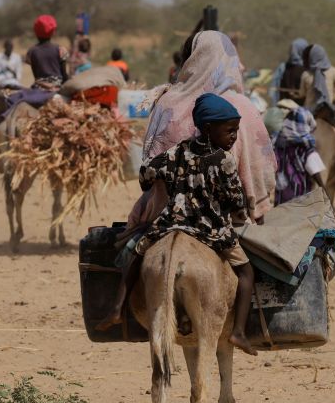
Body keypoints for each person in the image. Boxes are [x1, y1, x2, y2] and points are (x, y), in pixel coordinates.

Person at [99, 93, 258, 356]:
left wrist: (157, 184)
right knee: (246, 273)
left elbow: (146, 173)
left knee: (135, 254)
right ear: (208, 128)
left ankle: (117, 307)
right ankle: (239, 331)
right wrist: (238, 205)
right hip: (213, 228)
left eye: (236, 131)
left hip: (171, 223)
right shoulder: (224, 160)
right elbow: (234, 198)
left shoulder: (177, 152)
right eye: (229, 131)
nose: (234, 137)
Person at [140, 30, 277, 222]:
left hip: (163, 217)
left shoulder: (166, 103)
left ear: (191, 60)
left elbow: (148, 171)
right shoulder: (242, 107)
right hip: (224, 224)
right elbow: (260, 176)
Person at [272, 99, 328, 205]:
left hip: (281, 194)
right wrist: (324, 190)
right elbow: (315, 171)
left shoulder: (278, 143)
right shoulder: (305, 149)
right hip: (299, 195)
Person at [301, 44, 335, 130]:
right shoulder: (332, 71)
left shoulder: (305, 74)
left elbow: (302, 94)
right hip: (328, 109)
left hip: (309, 112)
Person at [24, 14, 68, 86]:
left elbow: (36, 76)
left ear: (36, 32)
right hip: (58, 87)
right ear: (53, 32)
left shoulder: (31, 52)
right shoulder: (61, 50)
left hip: (39, 88)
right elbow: (64, 76)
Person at [270, 38, 309, 104]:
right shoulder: (283, 67)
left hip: (297, 108)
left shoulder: (310, 69)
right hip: (289, 107)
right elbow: (275, 89)